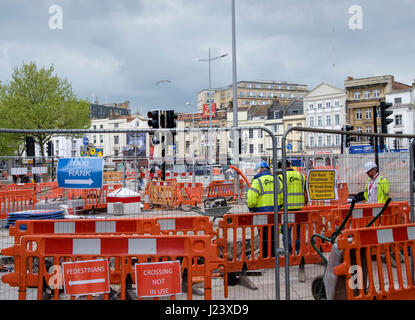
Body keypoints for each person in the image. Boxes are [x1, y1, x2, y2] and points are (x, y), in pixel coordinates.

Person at [278, 160, 307, 281]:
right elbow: (305, 192)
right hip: (299, 208)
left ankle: (289, 254)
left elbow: (279, 194)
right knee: (299, 232)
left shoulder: (280, 177)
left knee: (286, 233)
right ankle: (299, 253)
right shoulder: (301, 176)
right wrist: (305, 204)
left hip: (286, 209)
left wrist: (278, 207)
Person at [247, 160, 281, 258]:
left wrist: (252, 208)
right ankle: (274, 256)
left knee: (264, 236)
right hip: (275, 213)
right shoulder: (276, 180)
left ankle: (266, 257)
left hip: (262, 213)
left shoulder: (257, 181)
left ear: (261, 169)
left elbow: (251, 199)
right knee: (274, 236)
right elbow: (282, 195)